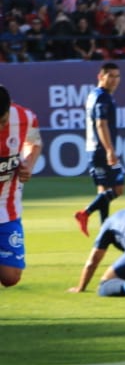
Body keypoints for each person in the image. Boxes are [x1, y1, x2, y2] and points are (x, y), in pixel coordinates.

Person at [74, 63, 125, 236]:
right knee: (118, 188)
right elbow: (101, 124)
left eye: (117, 76)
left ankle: (105, 231)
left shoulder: (94, 95)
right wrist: (109, 150)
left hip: (95, 149)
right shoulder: (102, 97)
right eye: (110, 76)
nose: (114, 80)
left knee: (104, 191)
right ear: (100, 76)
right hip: (101, 150)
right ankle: (85, 213)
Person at [0, 85, 42, 288]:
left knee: (11, 277)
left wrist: (28, 164)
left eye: (2, 121)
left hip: (7, 206)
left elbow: (35, 143)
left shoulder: (26, 117)